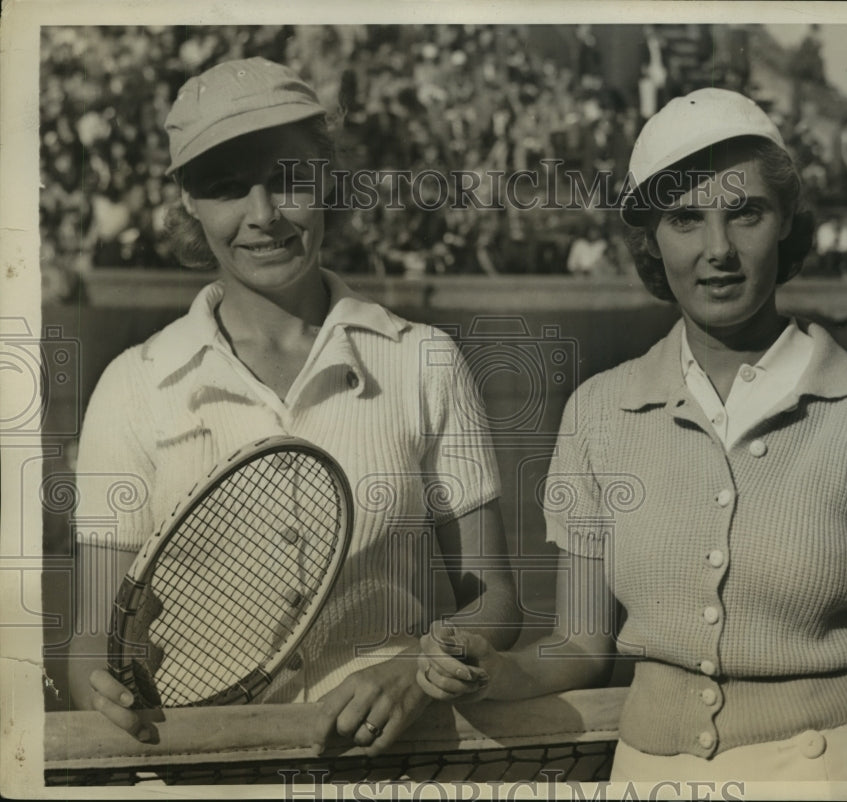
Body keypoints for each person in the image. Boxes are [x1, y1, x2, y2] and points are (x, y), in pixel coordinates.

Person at [418, 88, 847, 781]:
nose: (719, 251)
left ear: (787, 227)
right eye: (685, 219)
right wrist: (498, 671)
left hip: (833, 779)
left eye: (747, 214)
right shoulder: (596, 413)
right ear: (650, 240)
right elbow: (582, 643)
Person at [67, 57, 520, 754]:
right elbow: (93, 639)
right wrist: (102, 688)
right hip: (203, 770)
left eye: (288, 180)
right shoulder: (131, 386)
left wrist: (417, 669)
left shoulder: (422, 359)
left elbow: (494, 603)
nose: (263, 216)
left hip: (390, 766)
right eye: (225, 188)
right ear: (188, 200)